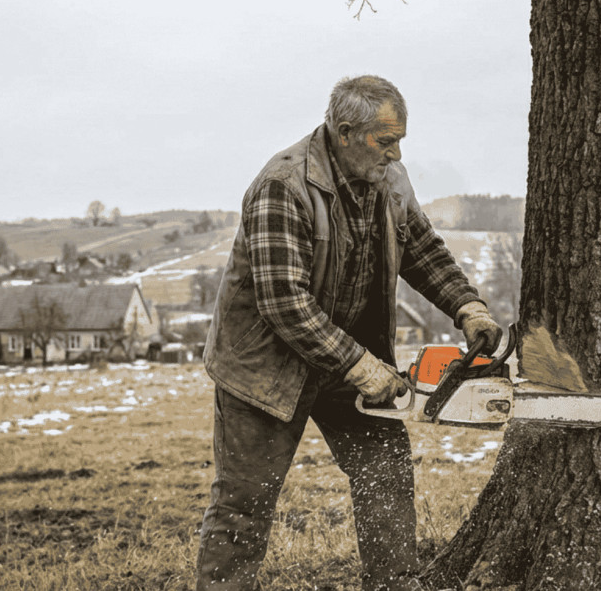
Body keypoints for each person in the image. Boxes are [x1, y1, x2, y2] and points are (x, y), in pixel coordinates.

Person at [196, 75, 502, 591]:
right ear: (343, 132)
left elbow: (421, 249)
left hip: (346, 356)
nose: (397, 153)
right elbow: (285, 303)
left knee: (384, 472)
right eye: (386, 142)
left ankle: (394, 584)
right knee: (244, 502)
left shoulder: (391, 178)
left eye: (400, 139)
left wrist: (468, 306)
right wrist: (361, 367)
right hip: (266, 368)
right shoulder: (283, 185)